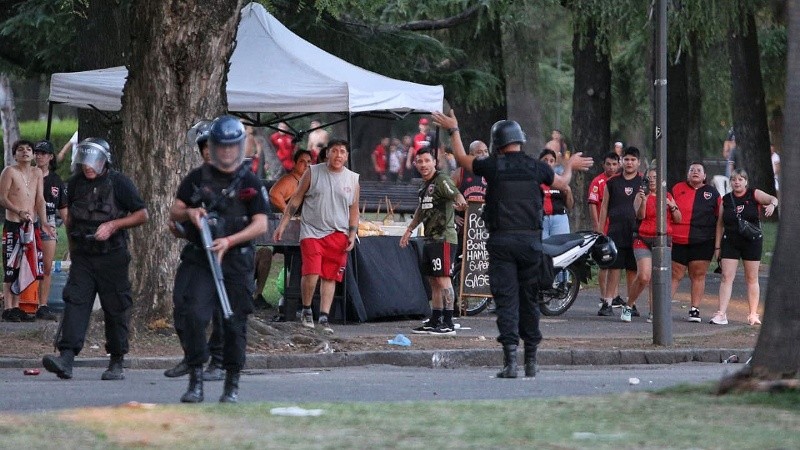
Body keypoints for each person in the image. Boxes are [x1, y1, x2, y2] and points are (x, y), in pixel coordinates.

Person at [432, 110, 592, 379]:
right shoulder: (535, 166)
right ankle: (531, 360)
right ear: (520, 140)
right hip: (530, 243)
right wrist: (571, 166)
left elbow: (461, 159)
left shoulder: (493, 165)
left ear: (497, 143)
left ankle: (510, 362)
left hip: (502, 242)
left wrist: (454, 129)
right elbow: (563, 184)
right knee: (529, 300)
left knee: (506, 301)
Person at [168, 115, 268, 403]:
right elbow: (175, 210)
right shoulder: (197, 178)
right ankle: (196, 379)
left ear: (239, 147)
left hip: (236, 261)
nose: (225, 152)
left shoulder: (249, 181)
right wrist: (190, 213)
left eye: (230, 147)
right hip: (202, 259)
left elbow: (261, 224)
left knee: (235, 324)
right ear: (212, 147)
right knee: (194, 316)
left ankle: (231, 385)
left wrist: (230, 241)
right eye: (220, 147)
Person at [41, 137, 148, 381]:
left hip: (113, 257)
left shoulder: (119, 183)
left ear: (104, 161)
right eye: (84, 161)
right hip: (83, 257)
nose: (88, 166)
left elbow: (142, 215)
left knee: (116, 308)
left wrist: (113, 225)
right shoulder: (75, 184)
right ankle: (66, 358)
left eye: (93, 161)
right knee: (75, 302)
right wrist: (73, 247)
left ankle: (117, 360)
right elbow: (69, 220)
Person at [273, 139, 359, 335]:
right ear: (327, 153)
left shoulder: (353, 179)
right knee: (311, 273)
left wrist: (353, 233)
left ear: (346, 156)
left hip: (338, 232)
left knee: (330, 276)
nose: (338, 155)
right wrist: (283, 224)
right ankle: (306, 310)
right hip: (312, 230)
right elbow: (296, 199)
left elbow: (354, 209)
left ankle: (323, 317)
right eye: (334, 151)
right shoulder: (313, 172)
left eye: (342, 152)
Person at [164, 120, 226, 382]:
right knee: (183, 304)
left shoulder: (238, 178)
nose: (208, 151)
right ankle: (193, 356)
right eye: (204, 147)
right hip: (197, 253)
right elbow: (176, 210)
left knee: (223, 310)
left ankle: (220, 362)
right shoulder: (194, 179)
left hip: (227, 254)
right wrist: (186, 217)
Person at [400, 148, 467, 336]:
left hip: (444, 238)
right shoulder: (424, 186)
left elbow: (455, 193)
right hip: (429, 238)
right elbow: (421, 210)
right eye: (419, 161)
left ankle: (448, 321)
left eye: (427, 161)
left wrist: (460, 201)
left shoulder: (441, 179)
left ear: (434, 162)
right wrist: (409, 230)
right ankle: (435, 318)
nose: (423, 165)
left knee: (443, 278)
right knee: (433, 280)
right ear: (415, 165)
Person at [710, 169, 777, 326]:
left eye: (740, 179)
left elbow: (773, 198)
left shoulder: (753, 194)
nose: (737, 182)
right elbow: (720, 224)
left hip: (751, 241)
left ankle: (753, 313)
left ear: (746, 181)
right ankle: (721, 313)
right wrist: (717, 247)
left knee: (752, 277)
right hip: (731, 241)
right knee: (726, 276)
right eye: (734, 179)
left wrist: (772, 205)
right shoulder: (726, 199)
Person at [0, 140, 53, 322]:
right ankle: (8, 307)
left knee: (26, 265)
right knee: (11, 265)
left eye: (29, 149)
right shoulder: (9, 171)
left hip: (31, 226)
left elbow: (40, 199)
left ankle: (18, 305)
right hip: (14, 224)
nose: (25, 152)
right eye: (20, 150)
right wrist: (18, 211)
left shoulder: (37, 172)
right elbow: (2, 198)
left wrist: (44, 222)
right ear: (15, 155)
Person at [620, 168, 681, 322]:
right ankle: (629, 305)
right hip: (643, 237)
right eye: (650, 177)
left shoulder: (667, 196)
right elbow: (640, 216)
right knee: (644, 275)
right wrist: (644, 201)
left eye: (656, 177)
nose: (653, 180)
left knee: (658, 277)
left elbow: (678, 219)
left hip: (663, 239)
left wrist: (672, 206)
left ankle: (654, 311)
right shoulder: (640, 195)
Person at [670, 162, 721, 323]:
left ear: (705, 176)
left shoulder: (712, 193)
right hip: (678, 238)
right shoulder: (677, 189)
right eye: (692, 170)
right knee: (675, 274)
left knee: (698, 275)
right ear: (687, 174)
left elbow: (720, 218)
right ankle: (663, 309)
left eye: (699, 170)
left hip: (703, 240)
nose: (695, 172)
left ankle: (694, 309)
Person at [596, 147, 643, 317]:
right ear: (622, 161)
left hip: (636, 232)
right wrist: (601, 230)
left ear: (638, 162)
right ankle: (607, 301)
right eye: (627, 159)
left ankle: (631, 304)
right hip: (615, 230)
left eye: (633, 160)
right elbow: (604, 208)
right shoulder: (613, 182)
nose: (629, 163)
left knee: (632, 270)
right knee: (614, 268)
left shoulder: (642, 182)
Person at [33, 140, 68, 321]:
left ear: (51, 157)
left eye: (44, 153)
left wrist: (71, 231)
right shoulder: (28, 174)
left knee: (46, 266)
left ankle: (43, 304)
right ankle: (19, 304)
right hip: (29, 220)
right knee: (25, 264)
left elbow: (63, 206)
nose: (39, 156)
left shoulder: (55, 180)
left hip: (50, 221)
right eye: (37, 152)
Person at [588, 152, 622, 309]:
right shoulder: (598, 181)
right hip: (604, 227)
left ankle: (614, 295)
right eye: (608, 164)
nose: (611, 167)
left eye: (614, 164)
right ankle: (603, 295)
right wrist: (597, 226)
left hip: (618, 226)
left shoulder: (621, 180)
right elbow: (593, 204)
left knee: (617, 262)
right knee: (605, 262)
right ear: (603, 165)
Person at [539, 149, 573, 239]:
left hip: (559, 217)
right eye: (545, 160)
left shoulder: (560, 181)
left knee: (562, 247)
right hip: (541, 219)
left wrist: (568, 192)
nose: (548, 163)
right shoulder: (535, 180)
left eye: (551, 161)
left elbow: (569, 206)